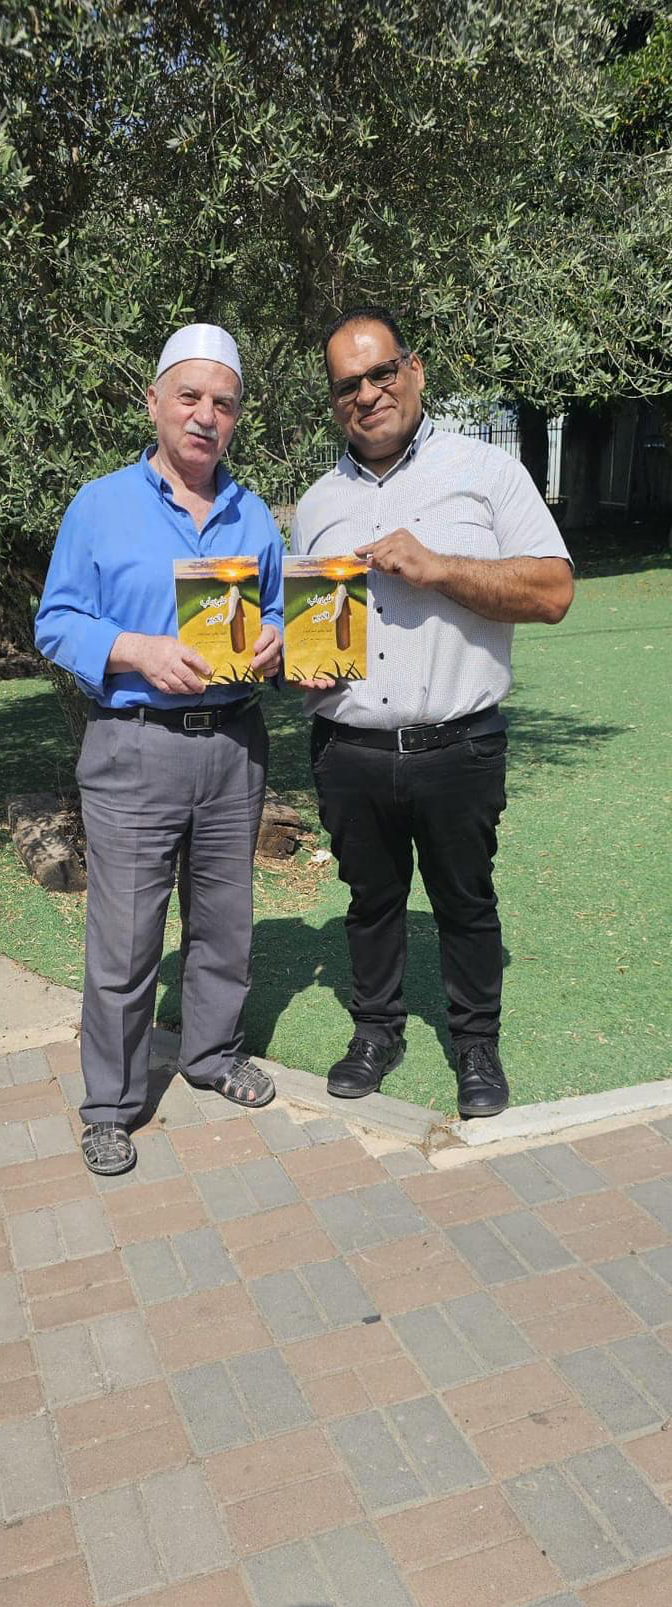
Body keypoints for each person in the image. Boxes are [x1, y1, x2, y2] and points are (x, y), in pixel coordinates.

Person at [293, 306, 573, 1118]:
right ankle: (375, 1032)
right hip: (347, 746)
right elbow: (311, 625)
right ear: (333, 401)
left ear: (413, 370)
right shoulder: (315, 503)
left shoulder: (485, 473)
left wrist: (437, 566)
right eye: (347, 384)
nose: (367, 394)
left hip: (459, 743)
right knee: (369, 903)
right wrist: (298, 665)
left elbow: (553, 592)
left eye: (381, 373)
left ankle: (475, 1046)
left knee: (464, 903)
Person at [35, 324, 283, 1176]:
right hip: (134, 746)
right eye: (189, 397)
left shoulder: (254, 515)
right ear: (153, 403)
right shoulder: (99, 505)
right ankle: (109, 1104)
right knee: (127, 940)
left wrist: (276, 639)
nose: (205, 415)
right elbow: (57, 622)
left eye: (223, 402)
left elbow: (277, 611)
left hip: (233, 746)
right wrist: (136, 650)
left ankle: (211, 1055)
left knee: (224, 923)